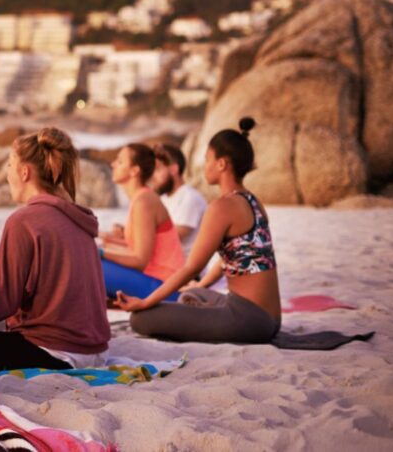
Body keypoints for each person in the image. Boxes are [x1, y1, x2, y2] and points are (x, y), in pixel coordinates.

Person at [0, 128, 110, 370]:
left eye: (9, 165)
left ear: (24, 172)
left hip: (53, 353)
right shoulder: (79, 218)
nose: (6, 174)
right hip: (96, 352)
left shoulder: (24, 221)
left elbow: (4, 304)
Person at [118, 118, 282, 343]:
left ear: (222, 164)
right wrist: (201, 284)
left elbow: (192, 266)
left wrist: (145, 302)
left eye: (207, 159)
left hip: (248, 319)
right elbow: (232, 260)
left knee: (140, 319)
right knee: (193, 294)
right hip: (271, 318)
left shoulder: (222, 207)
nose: (204, 166)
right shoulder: (253, 201)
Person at [98, 144, 185, 302]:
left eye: (120, 161)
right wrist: (104, 243)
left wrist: (102, 253)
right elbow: (137, 249)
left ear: (134, 171)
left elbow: (139, 260)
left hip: (164, 287)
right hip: (155, 281)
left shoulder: (143, 202)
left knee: (92, 264)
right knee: (92, 257)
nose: (113, 164)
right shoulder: (141, 198)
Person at [149, 143, 208, 250]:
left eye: (157, 170)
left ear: (174, 169)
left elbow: (172, 238)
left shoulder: (190, 197)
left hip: (184, 266)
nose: (153, 176)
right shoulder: (162, 199)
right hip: (165, 264)